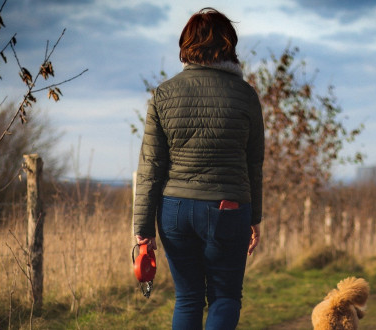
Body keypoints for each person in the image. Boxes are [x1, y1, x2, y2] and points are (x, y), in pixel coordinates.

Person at [133, 7, 264, 329]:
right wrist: (255, 217)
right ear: (228, 46)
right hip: (229, 209)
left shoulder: (163, 94)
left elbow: (151, 166)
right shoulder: (246, 96)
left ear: (186, 45)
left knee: (188, 297)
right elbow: (254, 163)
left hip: (174, 211)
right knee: (225, 297)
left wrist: (143, 230)